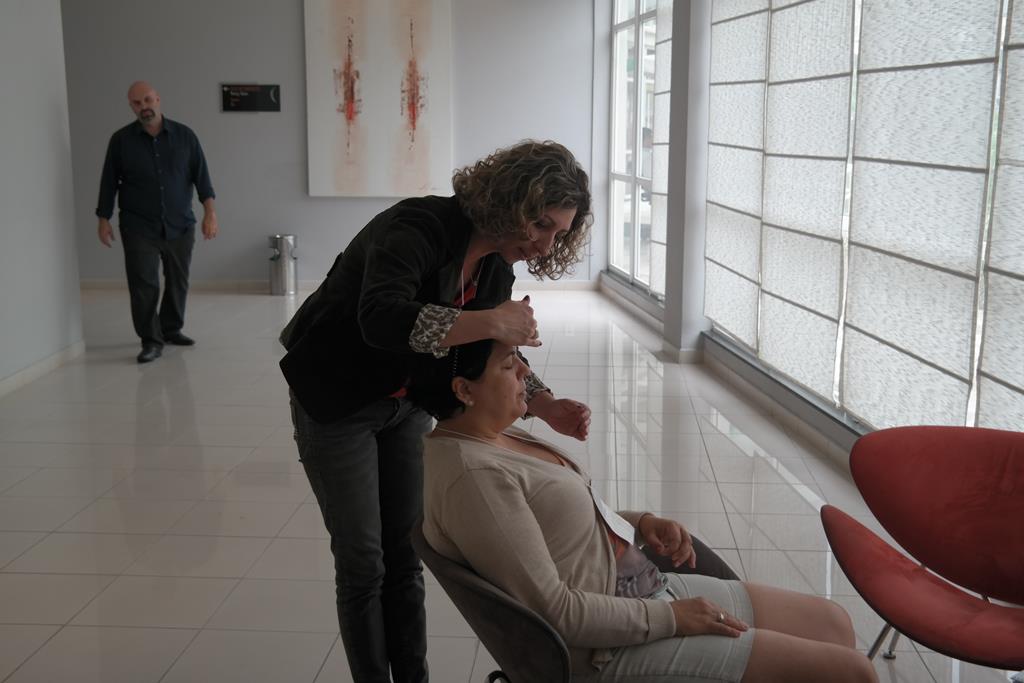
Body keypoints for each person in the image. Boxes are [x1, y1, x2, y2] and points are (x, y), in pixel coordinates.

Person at [279, 141, 594, 683]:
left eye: (559, 233)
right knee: (363, 561)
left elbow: (488, 351)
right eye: (541, 223)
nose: (545, 243)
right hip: (338, 398)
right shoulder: (418, 226)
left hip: (407, 405)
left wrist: (545, 405)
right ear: (509, 200)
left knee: (407, 552)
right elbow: (381, 318)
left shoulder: (496, 267)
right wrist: (492, 321)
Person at [408, 339, 880, 683]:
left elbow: (562, 527)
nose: (526, 373)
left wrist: (641, 523)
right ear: (463, 389)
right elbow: (556, 611)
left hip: (641, 591)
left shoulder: (494, 433)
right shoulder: (473, 476)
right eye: (510, 365)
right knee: (853, 673)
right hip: (608, 647)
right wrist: (674, 618)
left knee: (833, 623)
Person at [95, 81, 218, 363]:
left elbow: (202, 178)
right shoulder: (121, 141)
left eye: (148, 100)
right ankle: (151, 340)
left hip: (180, 224)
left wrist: (210, 213)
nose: (144, 107)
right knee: (143, 284)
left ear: (158, 99)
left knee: (178, 281)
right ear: (131, 106)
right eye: (137, 103)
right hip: (138, 226)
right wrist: (104, 219)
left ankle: (170, 329)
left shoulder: (185, 136)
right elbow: (108, 182)